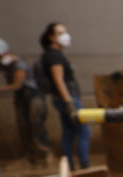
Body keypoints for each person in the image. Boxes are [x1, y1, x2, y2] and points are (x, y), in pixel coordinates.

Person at [0, 37, 50, 163]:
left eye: (1, 54)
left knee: (35, 124)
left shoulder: (19, 64)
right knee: (23, 125)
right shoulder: (3, 64)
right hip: (20, 97)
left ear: (8, 51)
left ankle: (45, 152)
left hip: (33, 95)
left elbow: (17, 85)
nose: (0, 57)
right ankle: (29, 155)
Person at [39, 21, 90, 169]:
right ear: (51, 37)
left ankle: (70, 167)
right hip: (67, 98)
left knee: (68, 133)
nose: (65, 36)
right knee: (84, 132)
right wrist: (69, 101)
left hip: (61, 98)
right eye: (60, 33)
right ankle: (84, 167)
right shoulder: (54, 56)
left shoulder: (52, 54)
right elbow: (58, 80)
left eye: (65, 32)